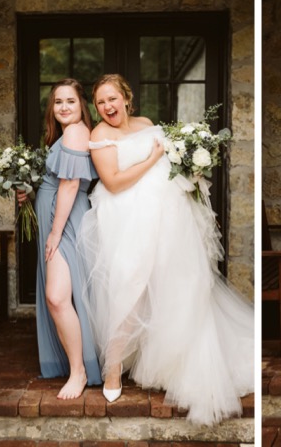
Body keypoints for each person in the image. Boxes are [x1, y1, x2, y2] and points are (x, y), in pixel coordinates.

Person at [78, 74, 254, 425]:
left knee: (174, 285)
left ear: (126, 98)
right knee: (132, 284)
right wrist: (153, 157)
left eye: (112, 99)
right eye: (100, 103)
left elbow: (170, 166)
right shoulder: (100, 135)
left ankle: (173, 360)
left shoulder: (146, 123)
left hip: (168, 218)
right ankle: (113, 368)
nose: (108, 107)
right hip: (127, 219)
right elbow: (112, 182)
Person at [28, 79, 102, 399]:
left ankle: (79, 371)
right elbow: (56, 181)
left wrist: (56, 232)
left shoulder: (76, 131)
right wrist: (27, 193)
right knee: (57, 297)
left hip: (65, 220)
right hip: (56, 216)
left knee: (58, 297)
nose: (64, 107)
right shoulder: (63, 134)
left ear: (81, 104)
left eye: (70, 101)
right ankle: (75, 365)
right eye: (58, 102)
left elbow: (71, 185)